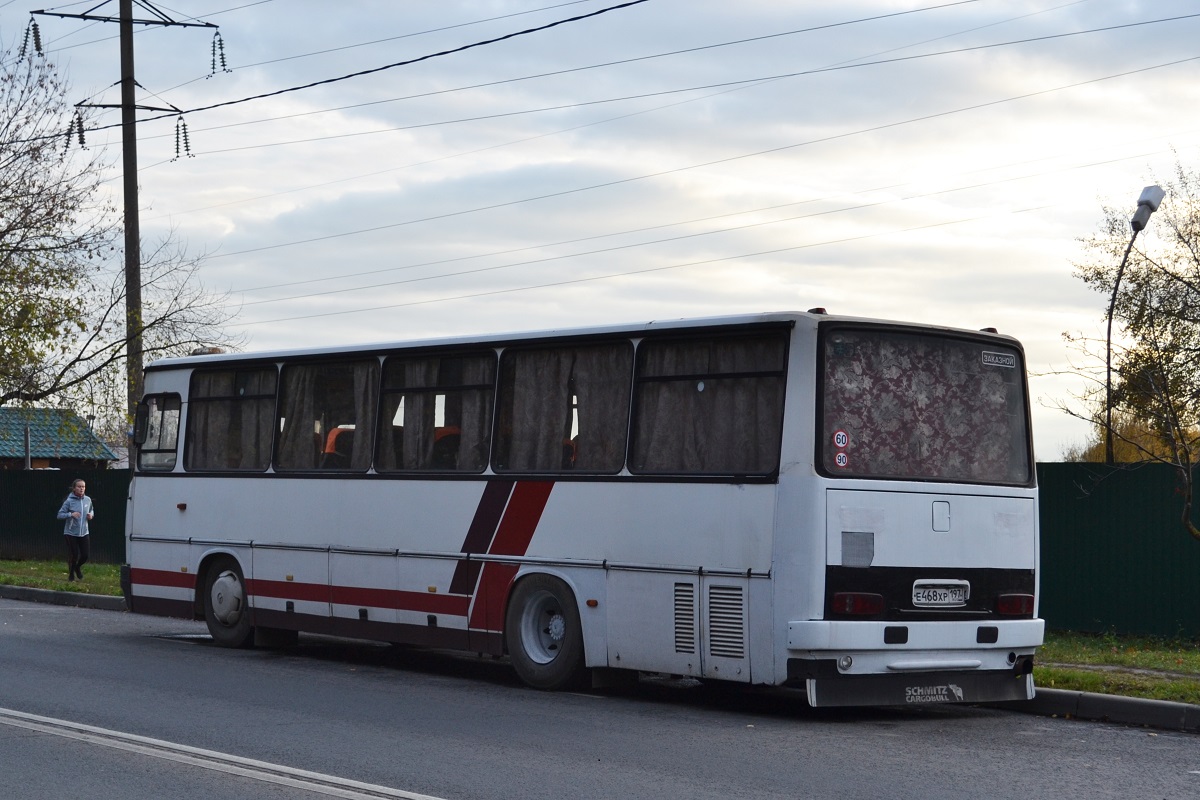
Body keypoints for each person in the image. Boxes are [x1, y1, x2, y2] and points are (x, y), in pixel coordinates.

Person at [56, 479, 94, 581]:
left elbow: (91, 510)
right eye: (79, 487)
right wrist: (70, 514)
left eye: (83, 487)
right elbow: (59, 515)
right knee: (74, 555)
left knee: (85, 555)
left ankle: (77, 567)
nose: (81, 489)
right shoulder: (69, 501)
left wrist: (91, 515)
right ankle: (71, 574)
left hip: (84, 532)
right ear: (74, 488)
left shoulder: (88, 500)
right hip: (71, 532)